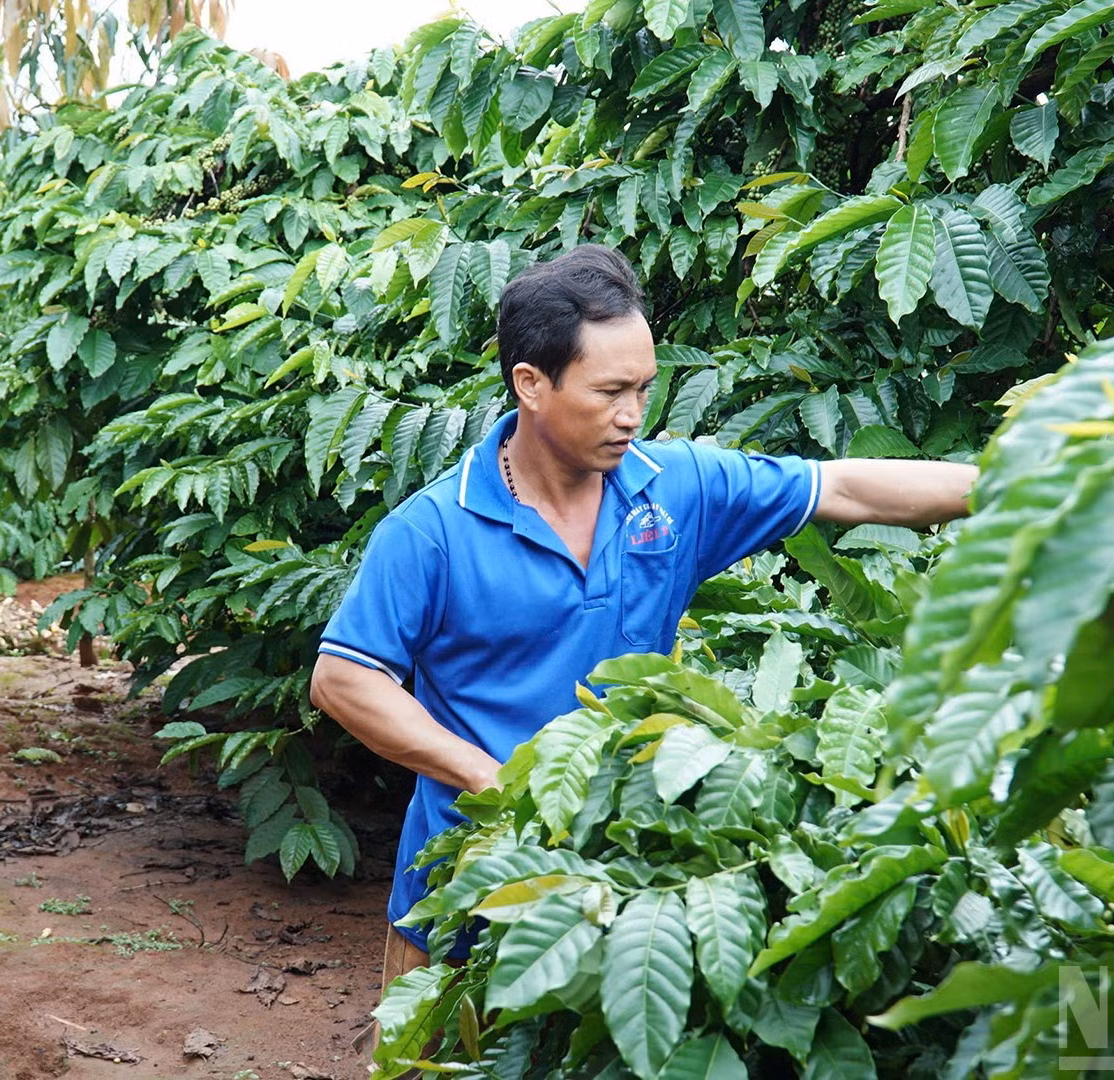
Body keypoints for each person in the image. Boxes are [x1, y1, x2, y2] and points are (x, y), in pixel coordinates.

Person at [307, 244, 976, 998]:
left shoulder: (676, 487)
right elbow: (344, 678)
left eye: (644, 390)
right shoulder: (433, 530)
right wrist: (492, 782)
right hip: (467, 889)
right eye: (609, 392)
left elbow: (846, 488)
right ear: (530, 383)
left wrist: (1023, 481)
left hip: (626, 889)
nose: (632, 416)